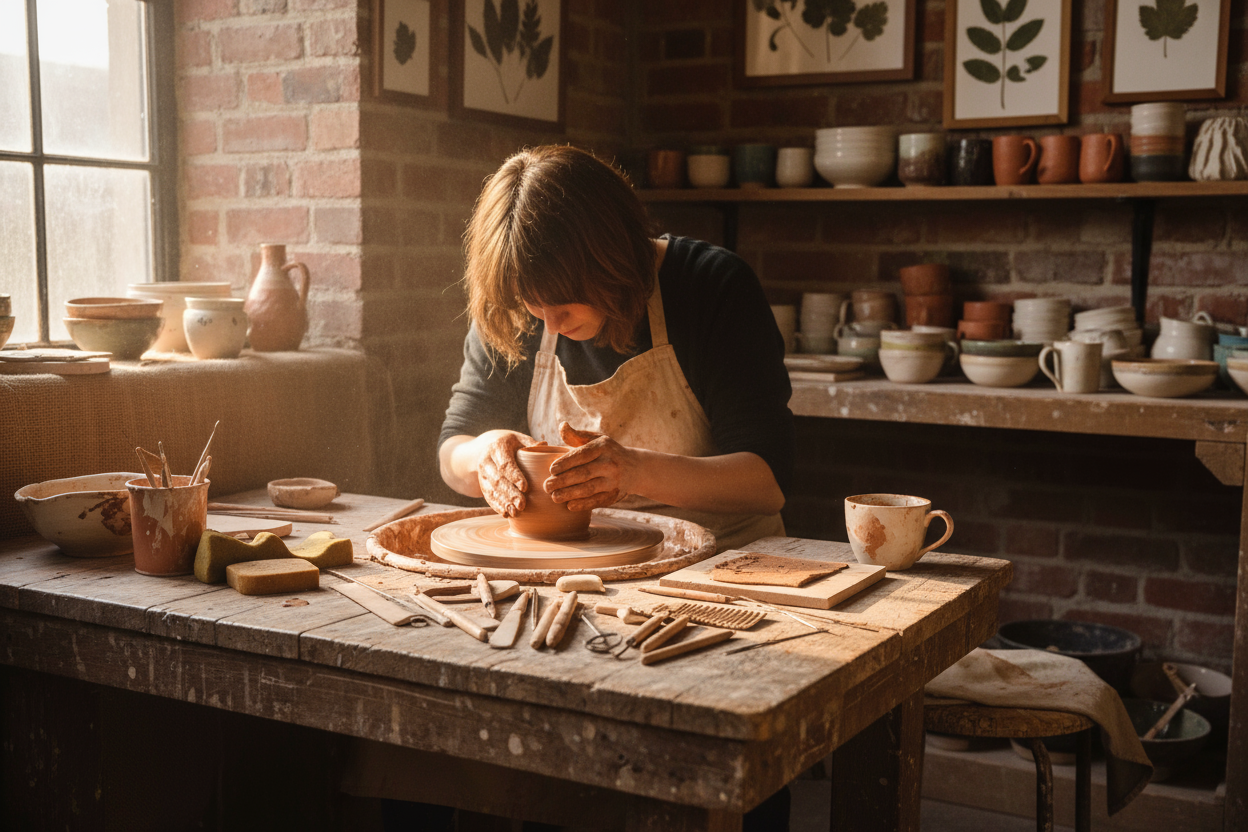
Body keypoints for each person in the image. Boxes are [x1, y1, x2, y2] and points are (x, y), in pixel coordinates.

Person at [438, 144, 794, 554]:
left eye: (564, 304)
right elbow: (452, 451)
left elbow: (767, 484)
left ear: (614, 262)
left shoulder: (712, 287)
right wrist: (484, 453)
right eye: (534, 305)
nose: (548, 324)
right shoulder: (519, 303)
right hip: (584, 561)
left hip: (726, 559)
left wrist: (633, 471)